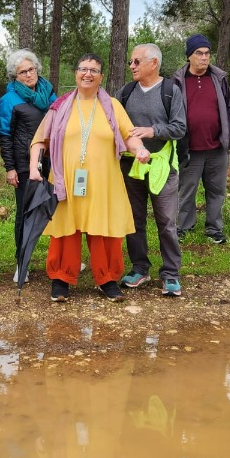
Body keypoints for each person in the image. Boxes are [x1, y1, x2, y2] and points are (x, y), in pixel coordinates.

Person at [28, 54, 152, 303]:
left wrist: (139, 149)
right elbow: (40, 140)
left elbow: (129, 135)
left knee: (105, 230)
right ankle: (61, 278)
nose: (87, 74)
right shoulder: (60, 105)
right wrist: (34, 169)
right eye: (83, 69)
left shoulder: (113, 106)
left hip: (104, 182)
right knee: (65, 230)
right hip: (67, 182)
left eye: (93, 70)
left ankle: (107, 279)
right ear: (75, 73)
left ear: (101, 76)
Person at [118, 43, 187, 297]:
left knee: (167, 222)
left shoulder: (171, 91)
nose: (132, 66)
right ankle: (139, 269)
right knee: (134, 220)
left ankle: (170, 274)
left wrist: (152, 130)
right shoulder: (125, 92)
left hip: (162, 166)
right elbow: (115, 125)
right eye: (131, 62)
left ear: (153, 63)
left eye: (137, 62)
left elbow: (180, 128)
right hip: (131, 166)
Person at [0, 49, 57, 282]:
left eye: (31, 69)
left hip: (52, 160)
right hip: (23, 164)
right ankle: (22, 263)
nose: (29, 74)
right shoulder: (9, 99)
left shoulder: (48, 92)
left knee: (57, 210)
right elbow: (5, 135)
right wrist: (9, 168)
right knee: (25, 214)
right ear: (15, 75)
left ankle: (60, 259)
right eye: (23, 72)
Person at [172, 33, 230, 244]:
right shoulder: (177, 82)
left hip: (217, 148)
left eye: (207, 53)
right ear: (189, 56)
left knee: (217, 191)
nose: (204, 57)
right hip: (189, 149)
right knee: (186, 190)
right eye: (199, 53)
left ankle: (214, 228)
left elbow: (228, 110)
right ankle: (183, 227)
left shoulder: (218, 78)